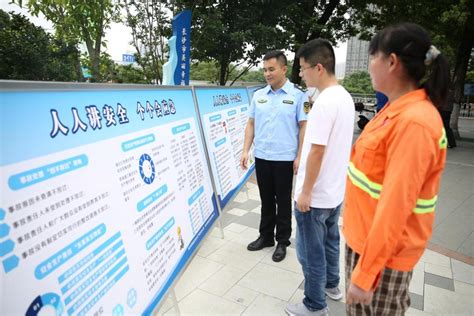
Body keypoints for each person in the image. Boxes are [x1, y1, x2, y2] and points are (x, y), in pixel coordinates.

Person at [343, 22, 449, 315]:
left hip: (382, 258)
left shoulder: (414, 122)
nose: (368, 67)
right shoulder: (394, 109)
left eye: (371, 57)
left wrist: (365, 275)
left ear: (391, 62)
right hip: (366, 243)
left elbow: (395, 206)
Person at [285, 39, 355, 316]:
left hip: (315, 196)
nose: (301, 74)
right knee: (330, 242)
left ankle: (314, 306)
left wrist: (305, 193)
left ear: (319, 67)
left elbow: (316, 152)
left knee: (309, 253)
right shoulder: (344, 96)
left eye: (303, 69)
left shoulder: (325, 102)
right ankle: (332, 286)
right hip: (334, 191)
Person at [240, 50, 308, 262]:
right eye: (265, 70)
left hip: (284, 158)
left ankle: (282, 241)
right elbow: (250, 124)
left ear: (284, 69)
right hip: (262, 156)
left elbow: (304, 126)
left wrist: (299, 156)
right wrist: (245, 150)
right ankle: (266, 236)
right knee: (266, 199)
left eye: (271, 69)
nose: (267, 74)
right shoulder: (259, 96)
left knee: (283, 201)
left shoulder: (299, 95)